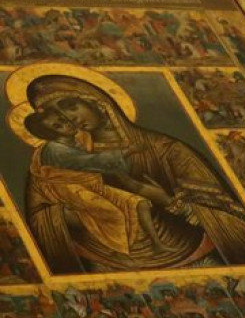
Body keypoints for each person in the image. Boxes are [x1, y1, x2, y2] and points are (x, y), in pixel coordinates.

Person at [22, 72, 245, 275]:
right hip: (103, 263)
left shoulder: (164, 150)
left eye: (70, 105)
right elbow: (42, 217)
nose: (68, 118)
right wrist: (74, 214)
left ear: (95, 100)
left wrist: (167, 202)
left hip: (190, 257)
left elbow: (226, 217)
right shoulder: (55, 160)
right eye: (56, 116)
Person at [23, 107, 161, 257]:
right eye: (58, 126)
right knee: (112, 212)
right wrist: (128, 151)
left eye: (63, 119)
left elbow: (93, 165)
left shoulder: (80, 139)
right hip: (66, 191)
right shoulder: (55, 149)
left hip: (89, 186)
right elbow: (89, 161)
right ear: (49, 134)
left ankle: (157, 245)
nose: (67, 124)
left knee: (137, 202)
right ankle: (116, 251)